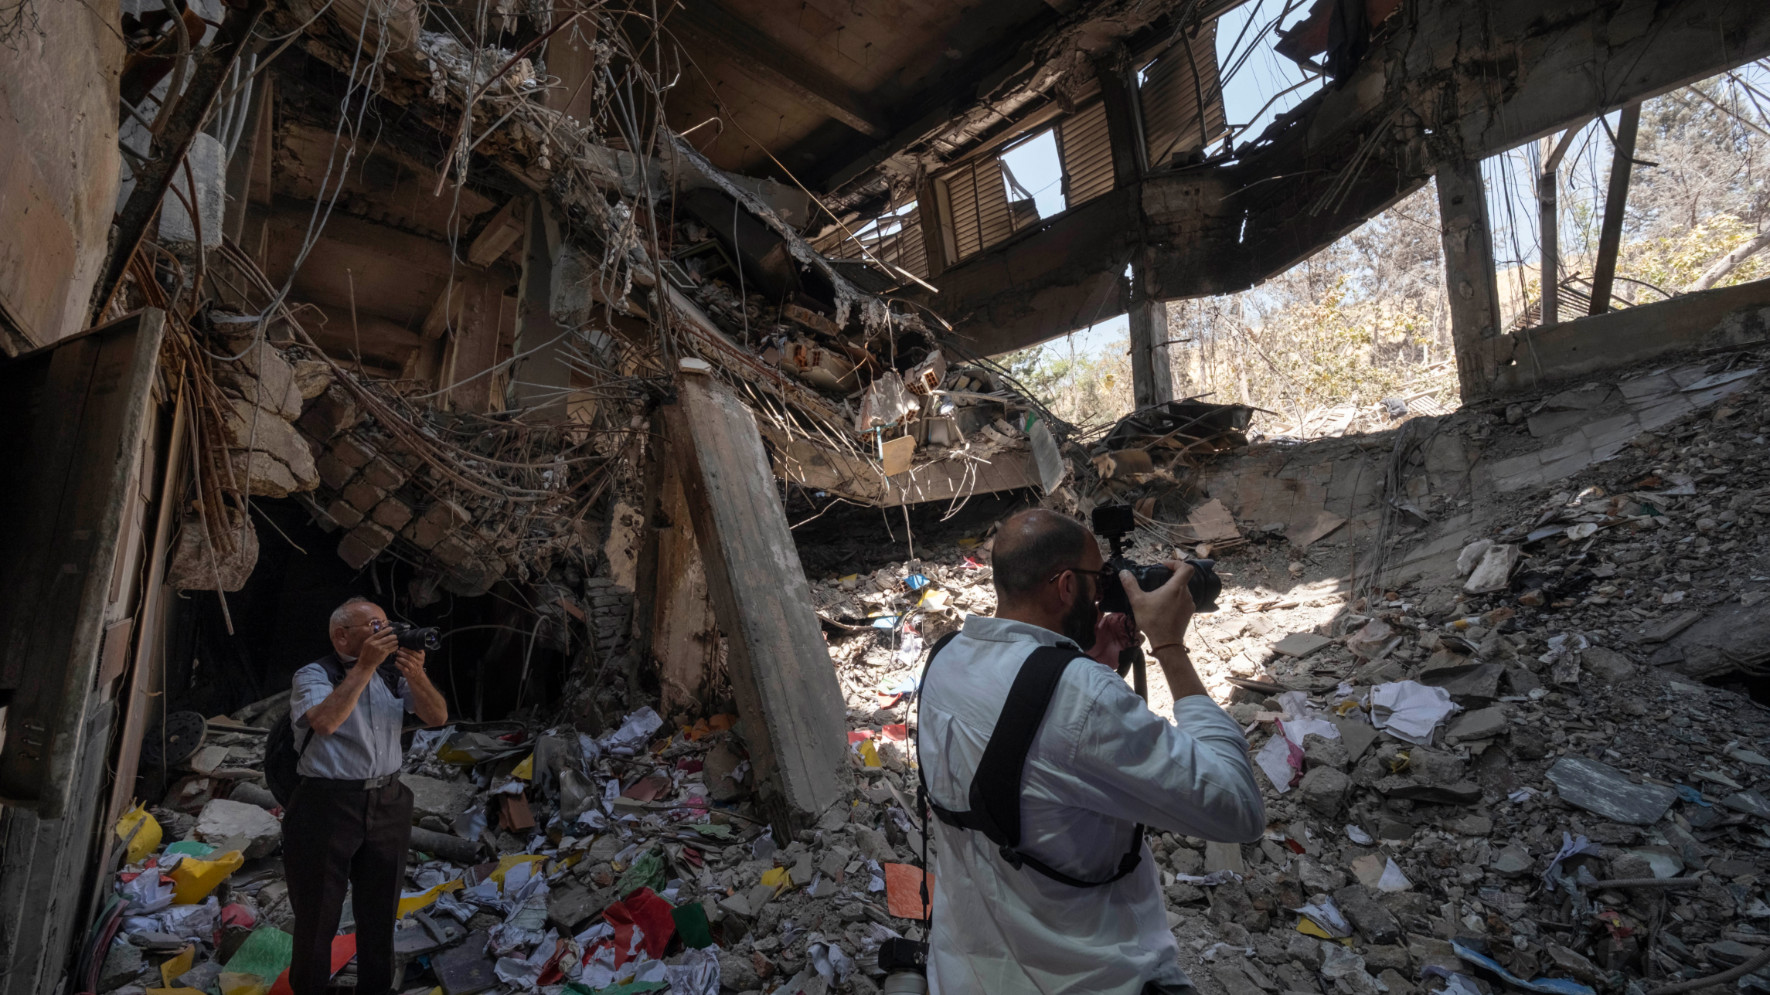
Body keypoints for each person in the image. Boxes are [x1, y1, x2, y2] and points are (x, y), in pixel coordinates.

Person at [917, 509, 1265, 995]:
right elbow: (1237, 808)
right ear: (1064, 587)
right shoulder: (1080, 697)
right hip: (1087, 976)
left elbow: (1023, 740)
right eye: (1097, 579)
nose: (1104, 593)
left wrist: (1088, 664)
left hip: (968, 968)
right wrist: (1169, 645)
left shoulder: (947, 654)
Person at [284, 597, 449, 995]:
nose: (386, 634)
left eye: (386, 625)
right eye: (374, 627)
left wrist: (417, 675)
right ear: (342, 635)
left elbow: (438, 716)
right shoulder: (314, 674)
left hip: (387, 801)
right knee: (317, 916)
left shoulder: (392, 676)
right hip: (326, 804)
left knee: (379, 914)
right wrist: (364, 667)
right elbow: (324, 722)